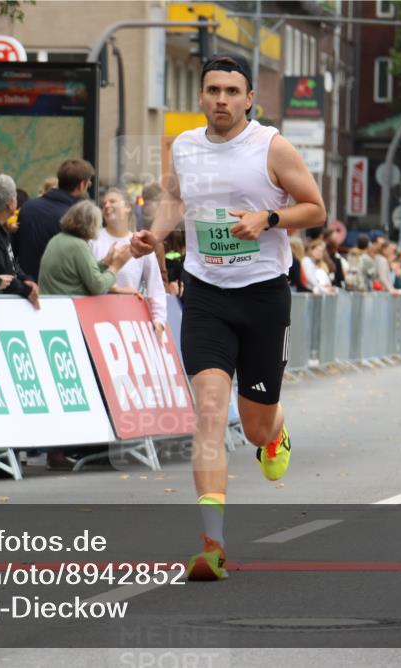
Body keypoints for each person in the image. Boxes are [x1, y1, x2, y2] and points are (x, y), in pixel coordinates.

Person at [130, 52, 326, 581]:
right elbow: (175, 199)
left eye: (232, 91)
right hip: (207, 296)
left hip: (263, 297)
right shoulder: (185, 146)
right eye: (213, 90)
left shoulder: (271, 146)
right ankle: (211, 546)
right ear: (201, 95)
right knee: (210, 412)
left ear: (248, 99)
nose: (221, 99)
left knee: (255, 426)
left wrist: (269, 218)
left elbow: (316, 208)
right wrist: (155, 234)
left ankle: (275, 430)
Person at [90, 187, 166, 328]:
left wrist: (159, 321)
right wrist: (116, 289)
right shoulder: (93, 241)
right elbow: (88, 281)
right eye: (104, 203)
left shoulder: (140, 243)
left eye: (112, 201)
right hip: (96, 320)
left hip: (130, 322)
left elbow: (155, 286)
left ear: (128, 207)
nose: (106, 206)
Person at [14, 158, 94, 281]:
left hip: (26, 285)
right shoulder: (76, 217)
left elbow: (14, 249)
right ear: (82, 185)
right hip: (59, 287)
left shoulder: (28, 207)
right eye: (88, 184)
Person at [0, 174, 40, 309]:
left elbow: (11, 265)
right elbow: (0, 274)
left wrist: (26, 279)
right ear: (11, 204)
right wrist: (26, 290)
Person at [39, 200, 129, 296]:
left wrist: (106, 262)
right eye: (98, 224)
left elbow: (85, 273)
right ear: (91, 225)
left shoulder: (58, 238)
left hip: (52, 301)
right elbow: (98, 286)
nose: (99, 227)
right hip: (67, 303)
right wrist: (115, 266)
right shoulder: (78, 245)